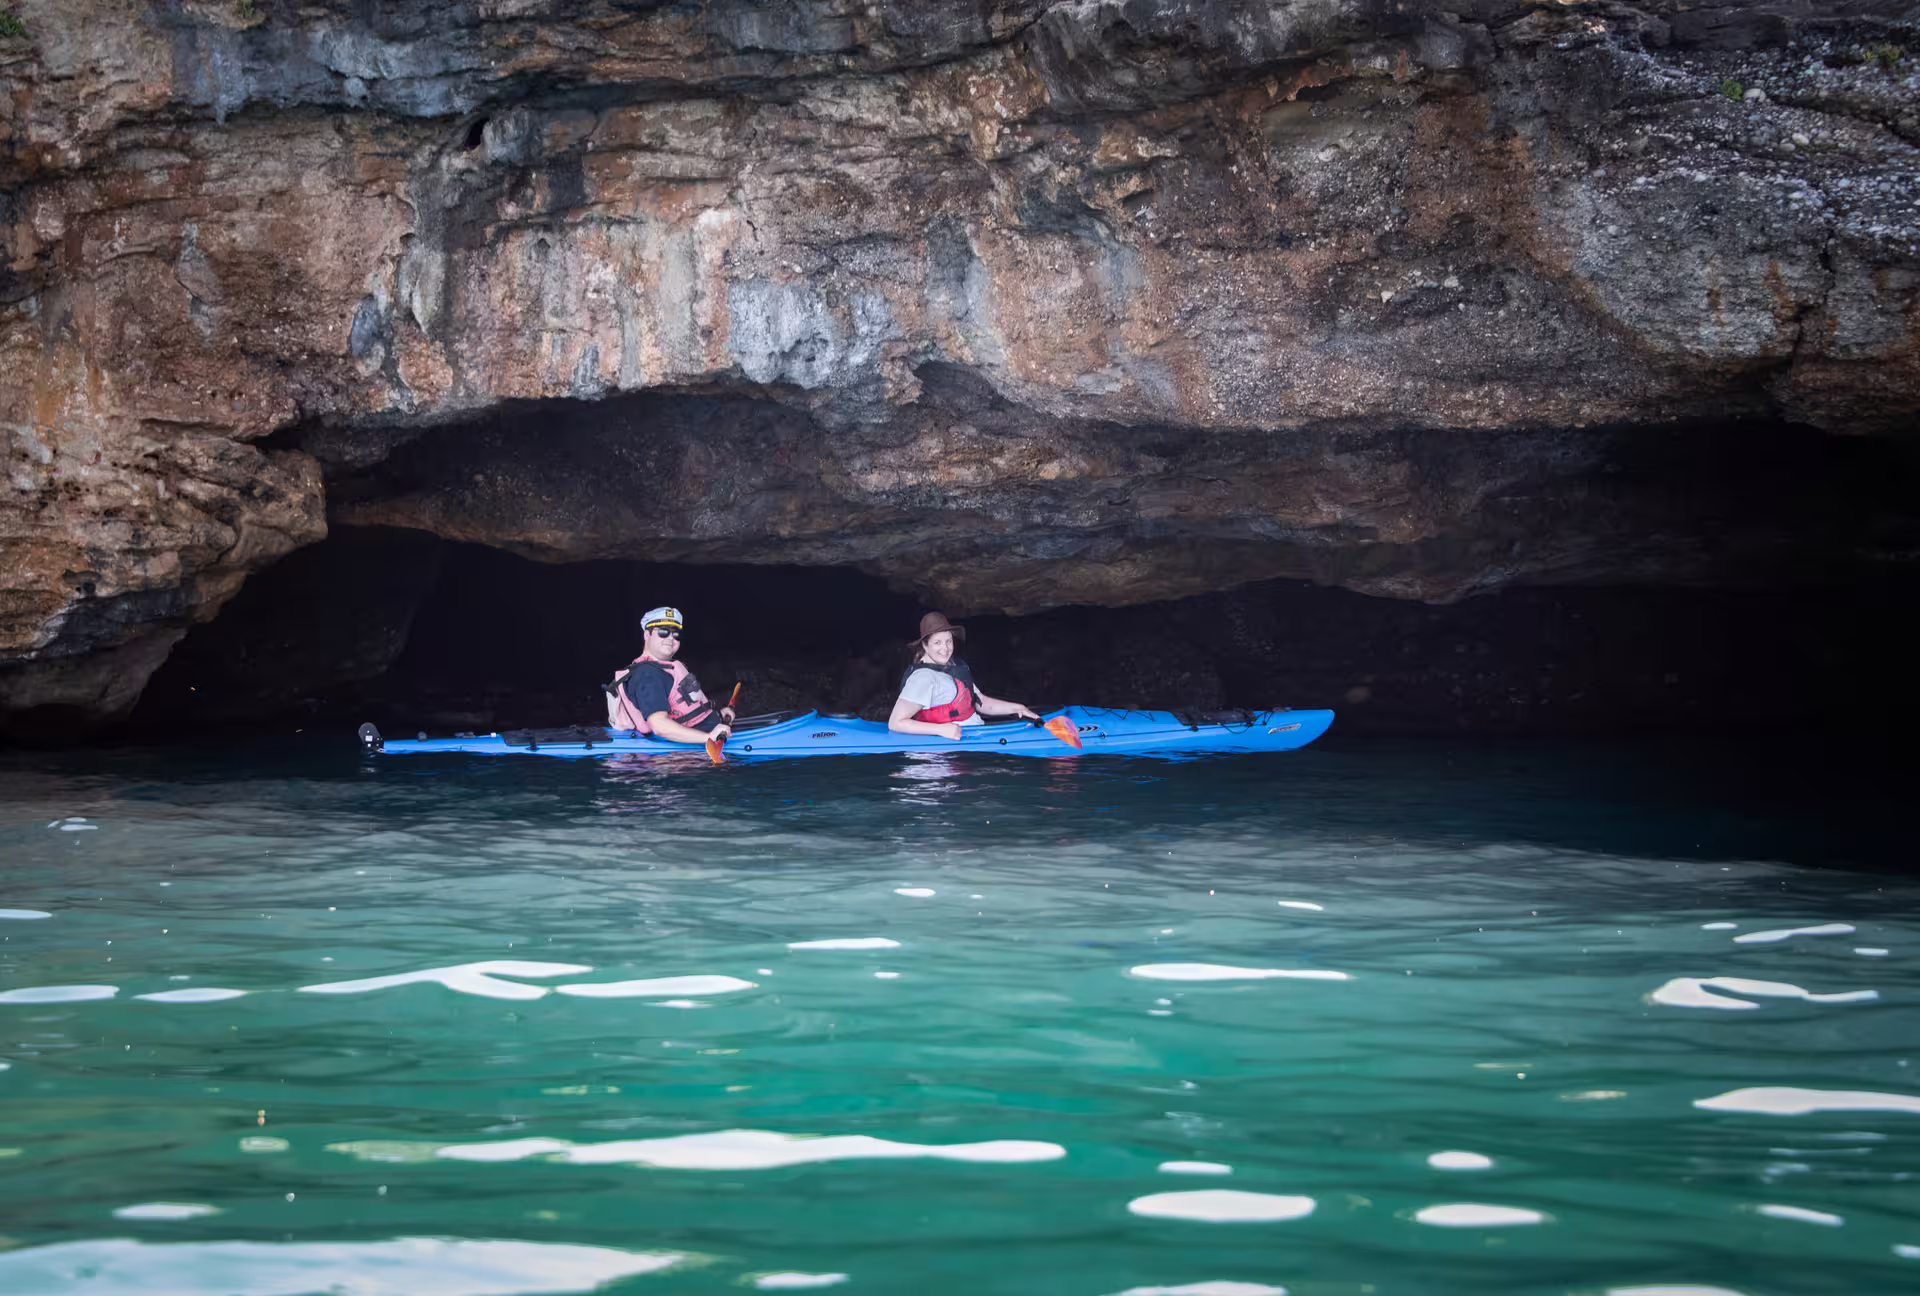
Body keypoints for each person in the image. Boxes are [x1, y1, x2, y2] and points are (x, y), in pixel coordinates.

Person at [888, 611, 1038, 741]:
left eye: (948, 641)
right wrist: (940, 730)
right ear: (925, 646)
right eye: (937, 643)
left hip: (975, 736)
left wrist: (1018, 708)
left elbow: (981, 703)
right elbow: (896, 723)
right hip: (943, 758)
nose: (945, 648)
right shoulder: (922, 678)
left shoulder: (953, 665)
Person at [605, 606, 735, 745]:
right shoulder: (647, 676)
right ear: (646, 635)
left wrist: (719, 715)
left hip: (712, 730)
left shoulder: (665, 668)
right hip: (688, 752)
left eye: (676, 635)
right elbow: (660, 726)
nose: (670, 638)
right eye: (663, 632)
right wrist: (708, 738)